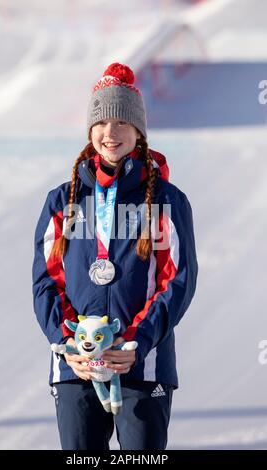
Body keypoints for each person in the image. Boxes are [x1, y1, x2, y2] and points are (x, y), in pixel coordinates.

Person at [32, 62, 198, 450]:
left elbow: (177, 280)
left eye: (122, 122)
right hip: (76, 366)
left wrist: (137, 341)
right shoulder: (62, 201)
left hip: (143, 364)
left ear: (138, 132)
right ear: (90, 132)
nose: (111, 133)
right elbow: (46, 281)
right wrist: (67, 341)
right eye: (101, 123)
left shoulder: (167, 201)